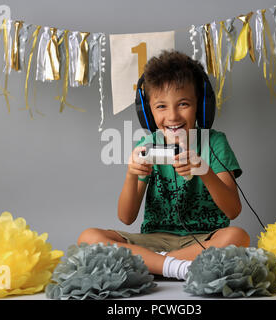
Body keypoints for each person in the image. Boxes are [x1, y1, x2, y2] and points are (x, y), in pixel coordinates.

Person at [78, 50, 250, 280]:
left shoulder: (215, 142)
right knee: (88, 237)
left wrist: (204, 171)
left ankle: (153, 263)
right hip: (153, 239)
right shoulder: (147, 145)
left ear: (201, 105)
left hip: (202, 239)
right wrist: (131, 174)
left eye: (183, 104)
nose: (173, 116)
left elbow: (233, 210)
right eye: (161, 106)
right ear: (147, 111)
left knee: (237, 237)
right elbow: (126, 217)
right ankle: (176, 267)